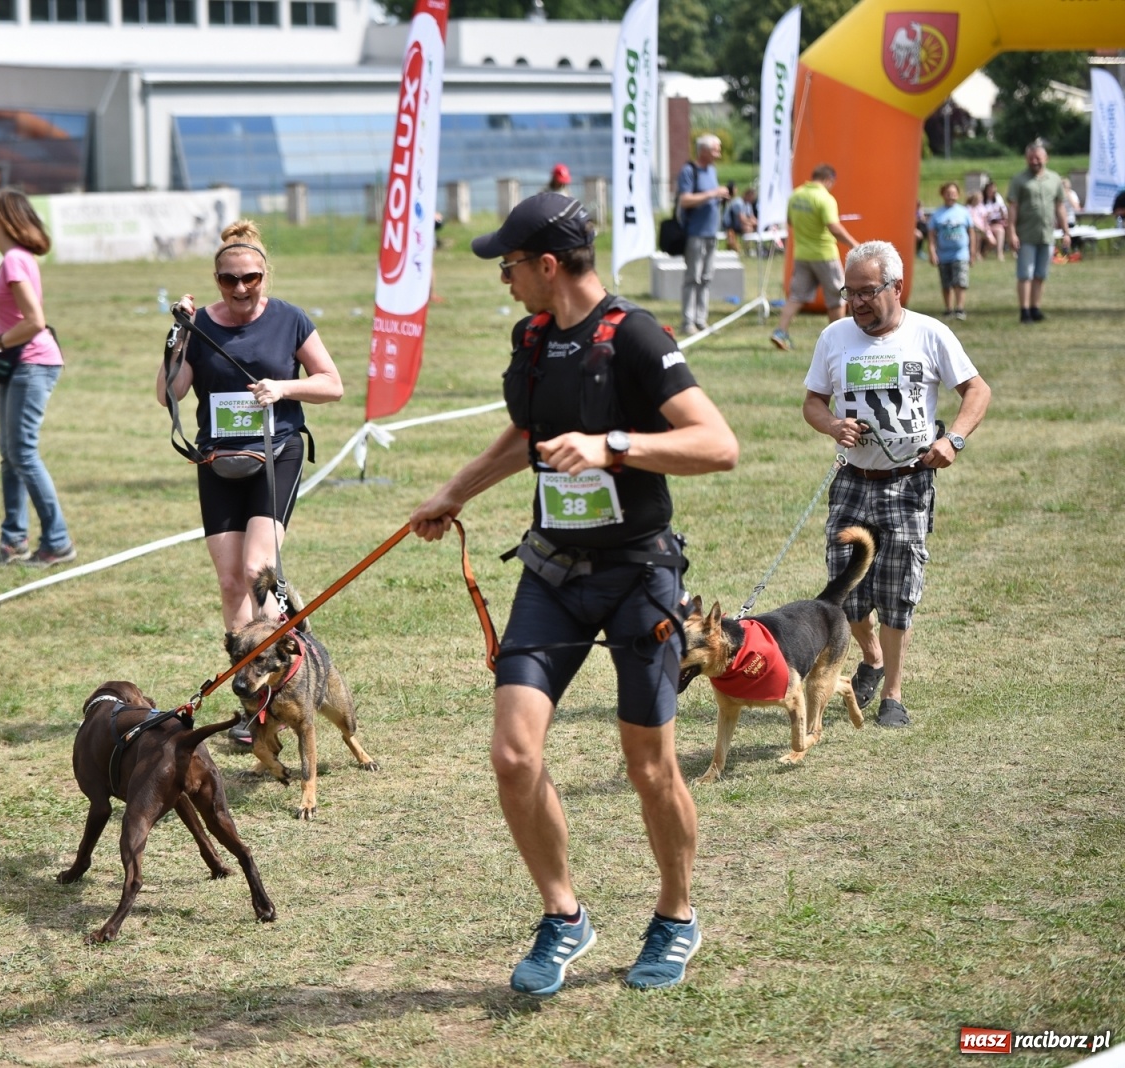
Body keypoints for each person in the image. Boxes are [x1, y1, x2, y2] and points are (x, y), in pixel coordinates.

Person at [408, 192, 739, 995]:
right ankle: (564, 916)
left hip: (638, 577)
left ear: (547, 266)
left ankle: (676, 916)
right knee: (513, 753)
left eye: (511, 265)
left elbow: (717, 444)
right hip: (552, 575)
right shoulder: (533, 339)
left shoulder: (636, 337)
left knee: (650, 766)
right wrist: (457, 489)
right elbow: (526, 436)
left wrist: (613, 446)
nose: (506, 279)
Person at [157, 220, 344, 742]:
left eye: (251, 278)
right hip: (218, 463)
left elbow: (332, 384)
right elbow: (167, 394)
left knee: (258, 568)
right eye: (228, 280)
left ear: (265, 275)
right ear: (215, 279)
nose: (240, 289)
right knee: (230, 581)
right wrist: (177, 338)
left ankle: (278, 684)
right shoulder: (200, 326)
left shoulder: (289, 319)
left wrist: (282, 389)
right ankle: (248, 695)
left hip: (275, 454)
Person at [801, 240, 991, 729]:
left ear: (896, 286)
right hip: (853, 479)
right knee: (847, 586)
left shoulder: (930, 334)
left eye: (868, 291)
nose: (858, 302)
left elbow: (977, 390)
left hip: (908, 480)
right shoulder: (835, 337)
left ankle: (893, 694)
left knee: (898, 586)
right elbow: (813, 402)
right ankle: (872, 656)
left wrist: (954, 440)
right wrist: (831, 425)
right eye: (851, 292)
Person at [0, 189, 76, 568]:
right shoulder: (15, 260)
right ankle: (13, 542)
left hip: (32, 363)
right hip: (22, 362)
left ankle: (57, 542)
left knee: (22, 452)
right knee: (11, 456)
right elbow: (21, 317)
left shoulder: (14, 262)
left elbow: (35, 322)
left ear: (4, 219)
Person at [770, 164, 860, 351]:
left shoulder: (796, 195)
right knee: (837, 297)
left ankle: (780, 331)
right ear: (829, 179)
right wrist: (854, 244)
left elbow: (789, 221)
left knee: (796, 297)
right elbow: (833, 227)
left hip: (802, 254)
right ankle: (838, 340)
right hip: (824, 254)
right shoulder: (825, 198)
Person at [1006, 140, 1072, 323]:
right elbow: (1013, 208)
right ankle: (1024, 310)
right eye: (1031, 158)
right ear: (1026, 159)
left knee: (1041, 274)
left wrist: (1066, 232)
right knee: (1025, 274)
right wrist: (1011, 232)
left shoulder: (1054, 179)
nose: (1035, 161)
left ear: (1046, 158)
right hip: (1026, 235)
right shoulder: (1019, 180)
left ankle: (1036, 308)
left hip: (1047, 235)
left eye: (1038, 158)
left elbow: (1060, 207)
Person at [676, 134, 730, 336]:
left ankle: (701, 320)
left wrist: (721, 196)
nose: (719, 153)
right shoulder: (689, 171)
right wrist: (713, 194)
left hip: (711, 233)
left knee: (706, 278)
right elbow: (685, 200)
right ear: (704, 151)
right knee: (693, 278)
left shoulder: (712, 170)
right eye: (716, 149)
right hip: (695, 234)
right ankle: (687, 322)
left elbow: (710, 196)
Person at [928, 181, 973, 320]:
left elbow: (971, 233)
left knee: (960, 281)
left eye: (954, 193)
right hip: (944, 254)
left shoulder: (964, 212)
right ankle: (948, 308)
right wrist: (932, 252)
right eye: (948, 193)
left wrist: (973, 252)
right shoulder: (937, 214)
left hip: (961, 253)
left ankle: (959, 308)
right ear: (943, 195)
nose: (951, 196)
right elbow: (931, 237)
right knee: (946, 283)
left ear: (958, 195)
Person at [723, 183, 759, 255]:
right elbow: (741, 218)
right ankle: (747, 249)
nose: (753, 199)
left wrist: (757, 223)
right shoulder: (738, 203)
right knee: (748, 228)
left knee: (757, 226)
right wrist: (751, 223)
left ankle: (758, 248)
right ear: (747, 195)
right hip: (732, 226)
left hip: (741, 224)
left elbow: (751, 216)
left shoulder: (748, 204)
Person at [979, 178, 1008, 261]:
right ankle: (982, 252)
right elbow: (980, 213)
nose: (992, 191)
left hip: (996, 222)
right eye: (990, 189)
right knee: (993, 239)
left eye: (994, 189)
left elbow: (1003, 209)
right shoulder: (981, 199)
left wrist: (1004, 217)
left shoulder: (997, 197)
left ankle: (1000, 253)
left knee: (1001, 230)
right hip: (984, 224)